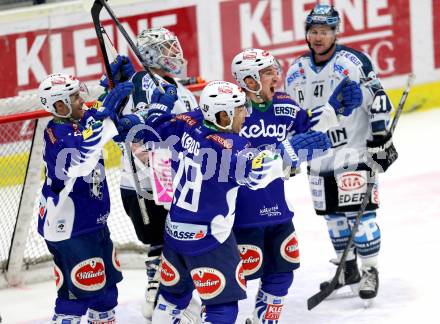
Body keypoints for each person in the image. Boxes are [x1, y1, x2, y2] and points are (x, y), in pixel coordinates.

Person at [115, 80, 331, 323]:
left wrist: (154, 110)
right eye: (240, 110)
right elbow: (257, 175)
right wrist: (288, 151)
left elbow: (149, 133)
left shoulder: (189, 122)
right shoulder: (230, 146)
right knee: (222, 308)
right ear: (222, 114)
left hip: (175, 233)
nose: (245, 116)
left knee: (172, 298)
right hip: (209, 239)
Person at [230, 47, 362, 323]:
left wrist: (333, 109)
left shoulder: (284, 105)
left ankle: (264, 320)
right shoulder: (231, 111)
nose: (275, 75)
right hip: (238, 214)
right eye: (267, 72)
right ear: (250, 80)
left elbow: (307, 126)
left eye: (273, 69)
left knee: (281, 273)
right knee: (231, 281)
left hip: (277, 209)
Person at [285, 4, 398, 301]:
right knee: (333, 217)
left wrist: (379, 137)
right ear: (307, 34)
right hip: (319, 156)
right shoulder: (296, 69)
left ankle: (370, 269)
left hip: (354, 152)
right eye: (314, 31)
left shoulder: (354, 61)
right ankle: (347, 268)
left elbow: (379, 100)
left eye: (324, 31)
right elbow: (292, 114)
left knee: (359, 217)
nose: (318, 37)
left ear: (336, 32)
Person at [99, 27, 199, 321]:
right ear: (152, 53)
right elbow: (135, 135)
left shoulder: (177, 88)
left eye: (173, 45)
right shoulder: (140, 84)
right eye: (167, 47)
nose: (175, 52)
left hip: (171, 179)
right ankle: (163, 294)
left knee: (177, 242)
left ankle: (168, 294)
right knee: (165, 242)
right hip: (148, 183)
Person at [37, 73, 133, 323]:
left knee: (106, 293)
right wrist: (104, 119)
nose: (81, 101)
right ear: (59, 105)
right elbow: (80, 158)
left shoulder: (78, 124)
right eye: (74, 97)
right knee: (76, 298)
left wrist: (115, 104)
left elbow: (96, 123)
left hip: (92, 222)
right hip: (69, 228)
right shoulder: (57, 137)